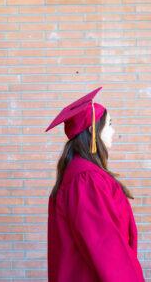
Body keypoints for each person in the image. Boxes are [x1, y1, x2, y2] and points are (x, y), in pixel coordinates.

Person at [46, 87, 144, 281]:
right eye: (110, 124)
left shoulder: (79, 173)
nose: (113, 131)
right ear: (93, 129)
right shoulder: (86, 179)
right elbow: (105, 246)